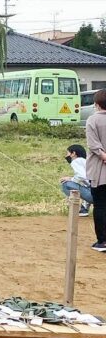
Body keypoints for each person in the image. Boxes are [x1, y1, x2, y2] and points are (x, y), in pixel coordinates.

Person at [85, 89, 106, 252]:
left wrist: (103, 155)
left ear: (97, 104)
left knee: (100, 205)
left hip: (100, 172)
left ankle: (102, 241)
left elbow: (93, 145)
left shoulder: (93, 119)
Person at [60, 144, 92, 217]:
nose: (66, 155)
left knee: (66, 184)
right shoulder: (85, 161)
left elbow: (82, 176)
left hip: (94, 195)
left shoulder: (76, 161)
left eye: (67, 153)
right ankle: (85, 207)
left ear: (73, 153)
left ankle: (78, 207)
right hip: (98, 192)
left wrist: (70, 179)